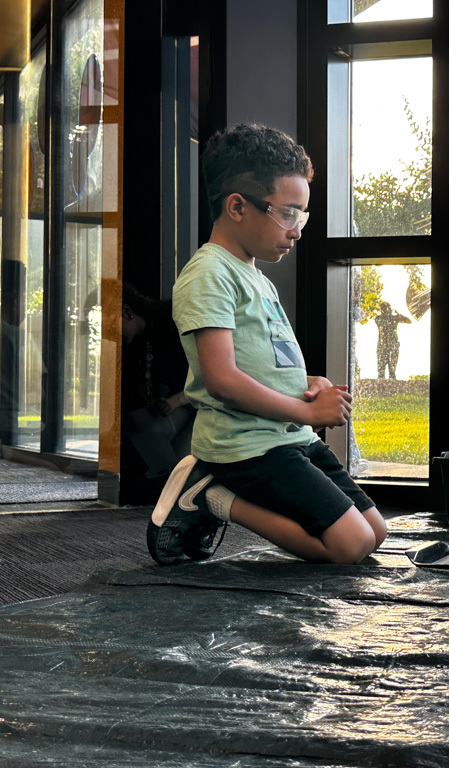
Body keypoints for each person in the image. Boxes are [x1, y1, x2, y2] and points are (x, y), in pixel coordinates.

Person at [147, 123, 388, 566]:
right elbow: (221, 380)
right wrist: (310, 412)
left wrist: (306, 382)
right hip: (247, 447)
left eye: (302, 215)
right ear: (237, 206)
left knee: (377, 531)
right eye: (288, 213)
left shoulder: (255, 276)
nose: (297, 230)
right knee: (350, 546)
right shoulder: (208, 275)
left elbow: (261, 359)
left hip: (288, 435)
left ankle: (223, 492)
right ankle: (214, 496)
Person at [120, 283, 196, 500]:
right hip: (188, 406)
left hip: (211, 405)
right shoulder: (144, 339)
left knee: (183, 473)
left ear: (127, 312)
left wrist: (175, 400)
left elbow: (212, 378)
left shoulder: (177, 323)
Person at [374, 301, 411, 379]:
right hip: (384, 344)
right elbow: (408, 321)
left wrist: (399, 315)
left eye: (387, 307)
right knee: (382, 368)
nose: (387, 309)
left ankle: (390, 382)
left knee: (391, 368)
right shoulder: (380, 318)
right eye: (383, 307)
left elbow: (409, 321)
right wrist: (398, 316)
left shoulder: (392, 318)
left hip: (390, 344)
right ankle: (384, 383)